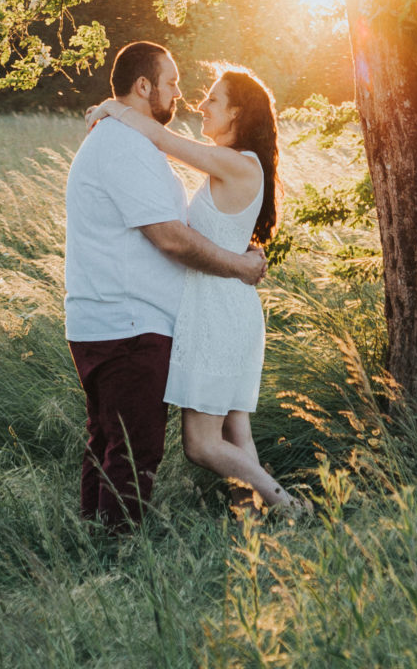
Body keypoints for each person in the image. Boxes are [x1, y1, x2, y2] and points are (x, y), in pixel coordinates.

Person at [86, 61, 307, 518]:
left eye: (213, 99)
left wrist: (112, 106)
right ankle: (252, 533)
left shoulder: (238, 163)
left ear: (237, 113)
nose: (200, 105)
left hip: (219, 312)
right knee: (236, 435)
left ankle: (288, 508)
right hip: (223, 306)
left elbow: (164, 140)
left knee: (201, 444)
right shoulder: (237, 166)